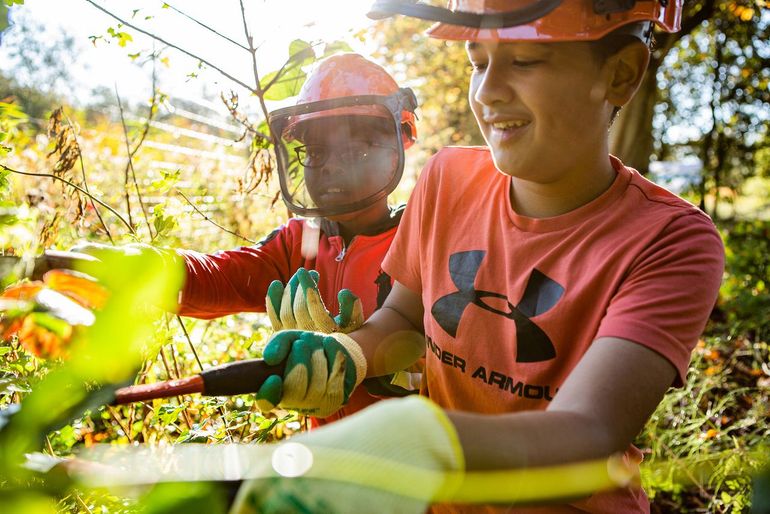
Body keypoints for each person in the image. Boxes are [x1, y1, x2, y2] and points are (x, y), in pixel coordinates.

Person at [234, 1, 725, 512]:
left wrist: (421, 440)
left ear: (621, 74)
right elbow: (403, 318)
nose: (488, 92)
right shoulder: (447, 180)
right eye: (478, 62)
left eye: (524, 61)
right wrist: (349, 357)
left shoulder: (669, 241)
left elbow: (590, 430)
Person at [73, 52, 421, 427]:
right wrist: (149, 269)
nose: (332, 165)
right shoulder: (299, 243)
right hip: (322, 460)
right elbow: (227, 276)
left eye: (354, 149)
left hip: (415, 460)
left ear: (399, 143)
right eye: (317, 152)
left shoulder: (423, 239)